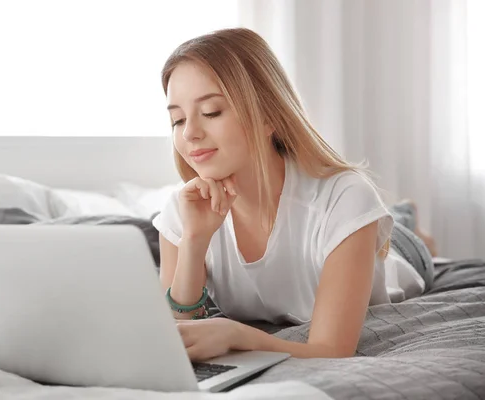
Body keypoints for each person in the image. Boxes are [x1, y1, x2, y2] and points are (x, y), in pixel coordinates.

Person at [152, 28, 437, 362]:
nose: (190, 133)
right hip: (338, 225)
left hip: (397, 253)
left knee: (400, 232)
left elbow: (331, 350)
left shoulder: (346, 198)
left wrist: (236, 334)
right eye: (177, 119)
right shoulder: (181, 210)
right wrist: (194, 242)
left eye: (212, 112)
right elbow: (174, 331)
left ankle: (408, 221)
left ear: (268, 116)